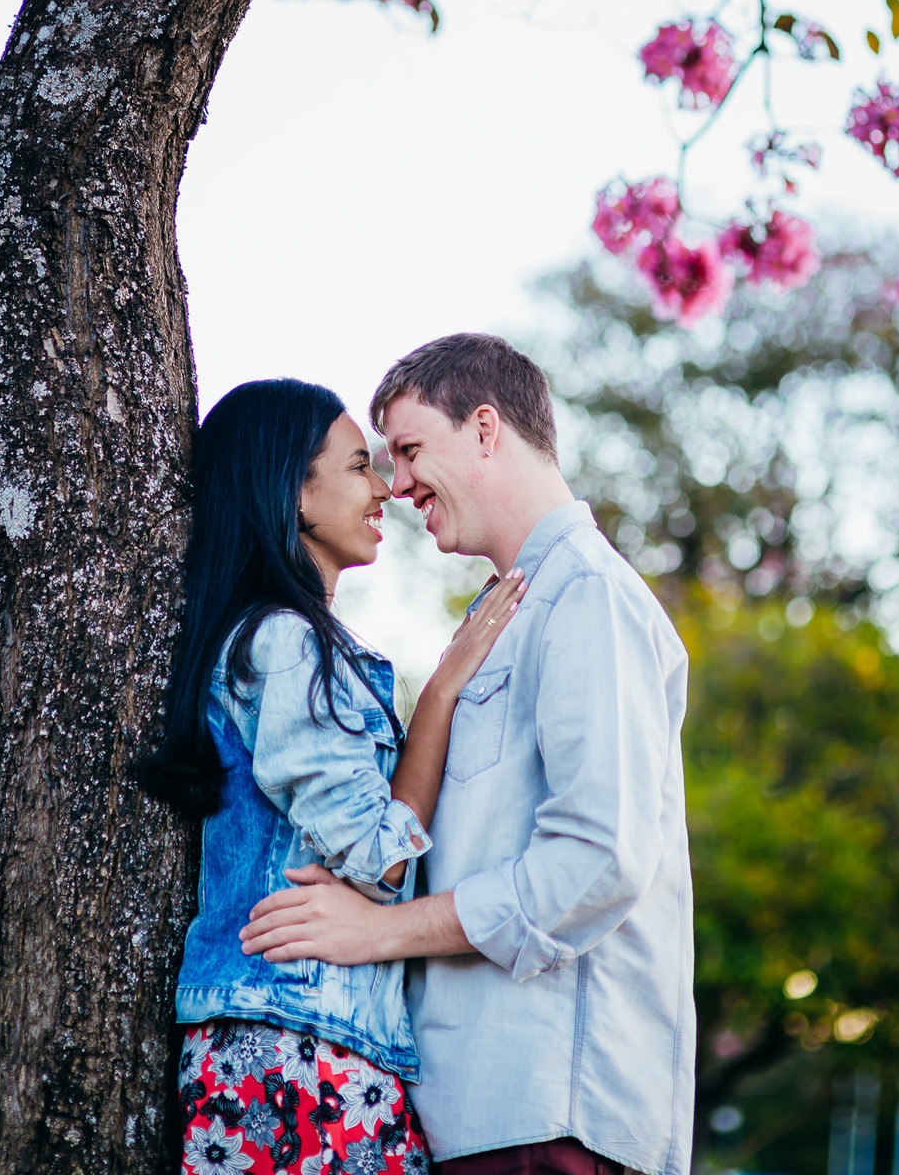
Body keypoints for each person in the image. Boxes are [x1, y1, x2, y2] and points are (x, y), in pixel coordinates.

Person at [241, 336, 695, 1175]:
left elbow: (596, 860)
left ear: (485, 429)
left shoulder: (588, 597)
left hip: (545, 1112)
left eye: (410, 451)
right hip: (474, 1110)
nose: (399, 483)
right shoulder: (515, 609)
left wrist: (378, 932)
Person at [139, 377, 524, 1175]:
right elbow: (379, 860)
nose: (385, 487)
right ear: (295, 494)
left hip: (309, 1040)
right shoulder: (286, 643)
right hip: (294, 1051)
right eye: (359, 466)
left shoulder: (295, 645)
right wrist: (443, 693)